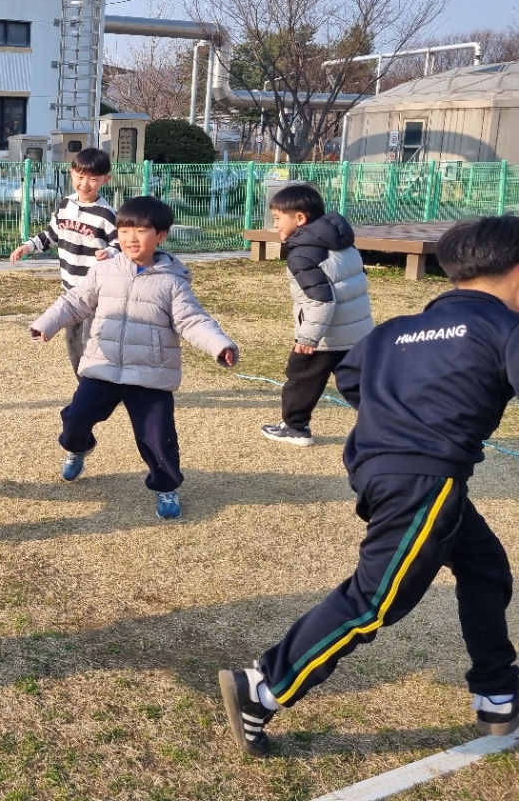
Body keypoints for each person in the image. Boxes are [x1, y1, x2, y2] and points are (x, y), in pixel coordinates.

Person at [220, 215, 519, 757]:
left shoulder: (395, 329)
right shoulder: (504, 329)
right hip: (423, 479)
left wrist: (397, 413)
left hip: (378, 468)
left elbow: (352, 376)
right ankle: (263, 687)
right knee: (375, 601)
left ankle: (498, 692)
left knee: (484, 568)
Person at [29, 195, 237, 519]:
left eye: (141, 231)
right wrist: (47, 323)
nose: (131, 238)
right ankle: (78, 447)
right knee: (75, 419)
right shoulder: (104, 271)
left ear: (161, 236)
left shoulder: (172, 282)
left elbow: (192, 320)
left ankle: (166, 486)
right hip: (103, 367)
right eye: (125, 230)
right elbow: (74, 302)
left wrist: (219, 344)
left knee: (158, 438)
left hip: (150, 375)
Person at [260, 183, 373, 447]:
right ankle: (392, 425)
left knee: (300, 377)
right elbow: (358, 282)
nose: (275, 225)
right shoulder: (345, 244)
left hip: (325, 336)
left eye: (277, 218)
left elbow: (321, 299)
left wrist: (307, 339)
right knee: (359, 385)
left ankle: (294, 427)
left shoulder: (302, 255)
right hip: (357, 331)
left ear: (299, 218)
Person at [11, 147, 118, 374]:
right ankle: (85, 388)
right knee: (74, 346)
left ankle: (97, 388)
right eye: (80, 177)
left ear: (105, 180)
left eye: (92, 179)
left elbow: (121, 245)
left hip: (95, 293)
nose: (85, 184)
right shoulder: (65, 204)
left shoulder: (106, 214)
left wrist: (109, 253)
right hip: (70, 292)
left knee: (93, 344)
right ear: (71, 174)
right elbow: (51, 234)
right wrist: (28, 246)